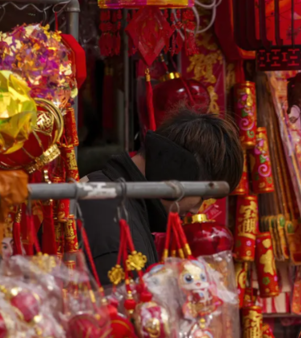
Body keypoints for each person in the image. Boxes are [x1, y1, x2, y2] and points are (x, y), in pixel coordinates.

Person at [79, 109, 243, 285]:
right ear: (175, 167)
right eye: (202, 196)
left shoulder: (113, 199)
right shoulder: (115, 227)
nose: (196, 209)